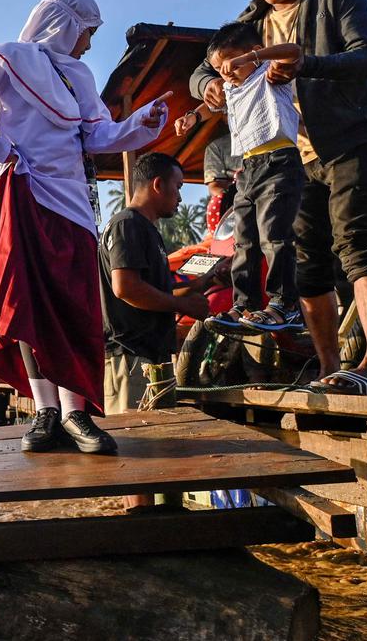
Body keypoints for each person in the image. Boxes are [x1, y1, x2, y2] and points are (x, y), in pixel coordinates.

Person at [0, 0, 170, 454]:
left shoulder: (79, 76)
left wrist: (141, 122)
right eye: (87, 32)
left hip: (71, 200)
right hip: (21, 190)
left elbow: (97, 136)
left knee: (76, 303)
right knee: (26, 301)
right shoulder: (8, 57)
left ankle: (75, 413)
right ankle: (46, 412)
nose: (87, 44)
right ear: (65, 24)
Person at [190, 0, 367, 394]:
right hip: (295, 155)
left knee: (355, 243)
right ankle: (328, 368)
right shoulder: (252, 21)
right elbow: (203, 68)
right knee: (308, 262)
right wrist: (208, 86)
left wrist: (308, 64)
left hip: (353, 139)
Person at [101, 153, 218, 510]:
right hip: (130, 357)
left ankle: (151, 523)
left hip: (150, 358)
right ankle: (140, 527)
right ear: (157, 185)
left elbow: (156, 293)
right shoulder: (127, 225)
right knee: (137, 456)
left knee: (153, 453)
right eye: (178, 187)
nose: (180, 197)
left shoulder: (147, 231)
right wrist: (186, 306)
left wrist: (203, 284)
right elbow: (126, 288)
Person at [177, 22, 305, 334]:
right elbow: (210, 106)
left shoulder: (270, 75)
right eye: (220, 69)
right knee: (244, 240)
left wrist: (254, 57)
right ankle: (245, 304)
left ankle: (284, 305)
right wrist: (192, 116)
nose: (227, 74)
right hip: (247, 169)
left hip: (279, 160)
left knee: (275, 234)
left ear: (254, 53)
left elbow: (294, 51)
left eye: (232, 65)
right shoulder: (231, 88)